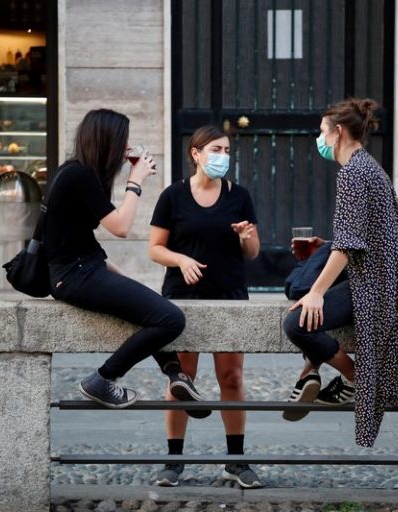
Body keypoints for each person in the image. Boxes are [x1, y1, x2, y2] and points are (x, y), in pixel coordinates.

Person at [281, 98, 398, 448]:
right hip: (386, 277)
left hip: (375, 284)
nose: (320, 139)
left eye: (322, 132)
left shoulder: (353, 173)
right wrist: (325, 245)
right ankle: (311, 373)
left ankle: (355, 378)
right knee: (302, 289)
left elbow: (348, 246)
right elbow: (361, 235)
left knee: (297, 322)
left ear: (339, 132)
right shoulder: (368, 167)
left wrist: (317, 293)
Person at [44, 108, 206, 409]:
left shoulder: (79, 173)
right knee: (172, 319)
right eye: (124, 140)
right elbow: (120, 227)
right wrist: (135, 181)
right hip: (75, 276)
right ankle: (103, 378)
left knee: (150, 307)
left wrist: (114, 272)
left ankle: (175, 373)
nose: (127, 148)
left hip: (82, 270)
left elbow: (76, 238)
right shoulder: (78, 175)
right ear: (108, 140)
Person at [148, 125, 263, 488]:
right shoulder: (173, 196)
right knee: (182, 379)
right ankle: (174, 461)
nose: (222, 156)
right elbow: (155, 249)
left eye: (226, 150)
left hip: (230, 295)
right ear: (195, 154)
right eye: (216, 149)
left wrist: (246, 238)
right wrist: (181, 259)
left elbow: (253, 252)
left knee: (232, 377)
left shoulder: (239, 196)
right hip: (183, 298)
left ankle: (236, 461)